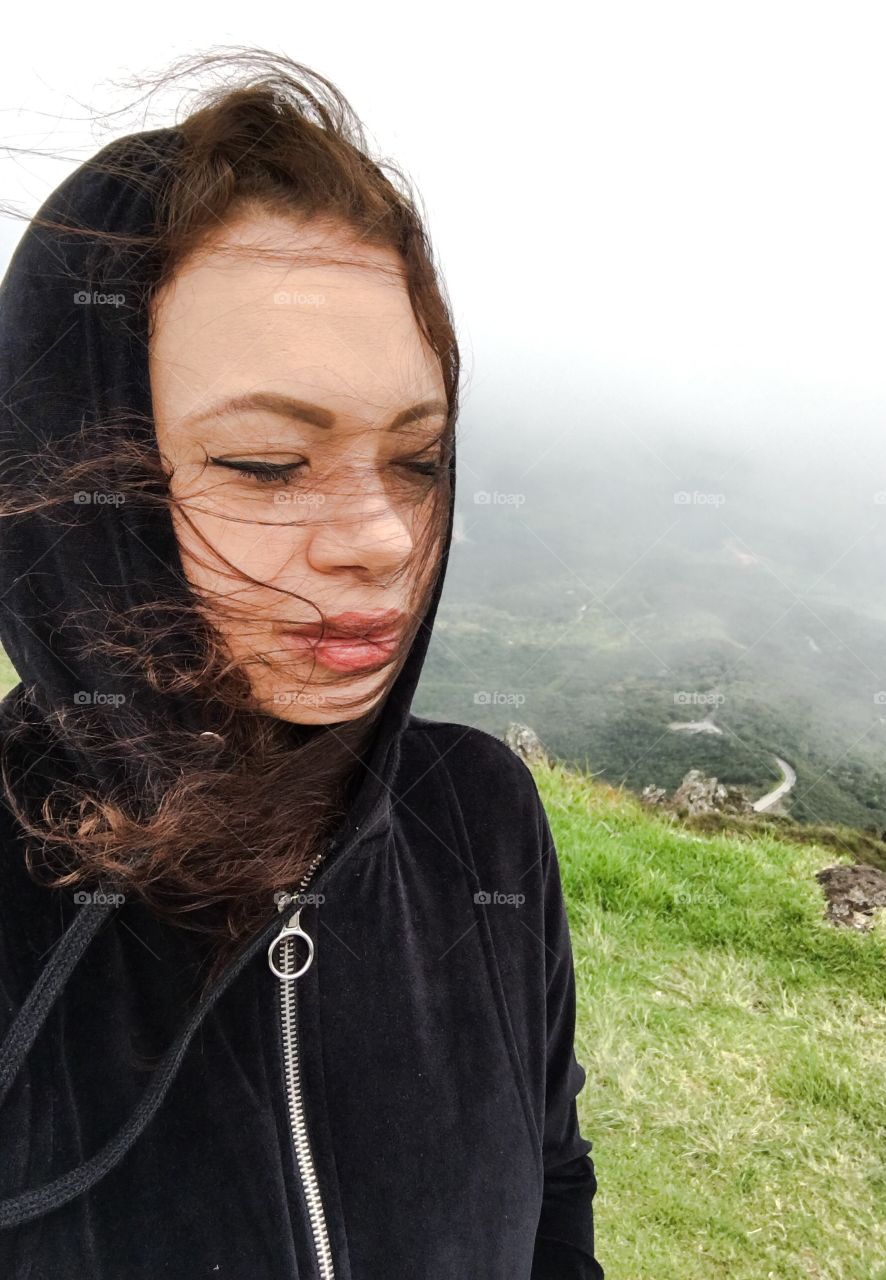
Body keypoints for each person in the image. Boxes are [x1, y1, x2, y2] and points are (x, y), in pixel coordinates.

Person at [0, 51, 603, 1279]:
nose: (384, 539)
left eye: (420, 460)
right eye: (269, 463)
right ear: (78, 479)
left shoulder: (483, 823)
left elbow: (552, 1187)